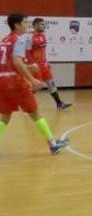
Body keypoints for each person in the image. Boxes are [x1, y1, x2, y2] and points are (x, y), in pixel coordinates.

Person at [0, 14, 69, 154]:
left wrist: (29, 67)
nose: (27, 25)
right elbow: (17, 62)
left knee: (5, 117)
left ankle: (53, 143)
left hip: (2, 81)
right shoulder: (19, 40)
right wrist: (32, 79)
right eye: (25, 22)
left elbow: (8, 63)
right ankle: (53, 144)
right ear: (17, 25)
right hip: (15, 82)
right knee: (35, 113)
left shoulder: (4, 40)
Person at [27, 18, 72, 110]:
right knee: (37, 86)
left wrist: (47, 61)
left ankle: (59, 104)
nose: (43, 26)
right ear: (35, 25)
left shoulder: (43, 36)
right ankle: (25, 102)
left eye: (44, 24)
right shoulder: (30, 38)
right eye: (41, 24)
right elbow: (27, 53)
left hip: (44, 65)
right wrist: (32, 64)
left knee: (51, 84)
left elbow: (43, 51)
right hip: (36, 66)